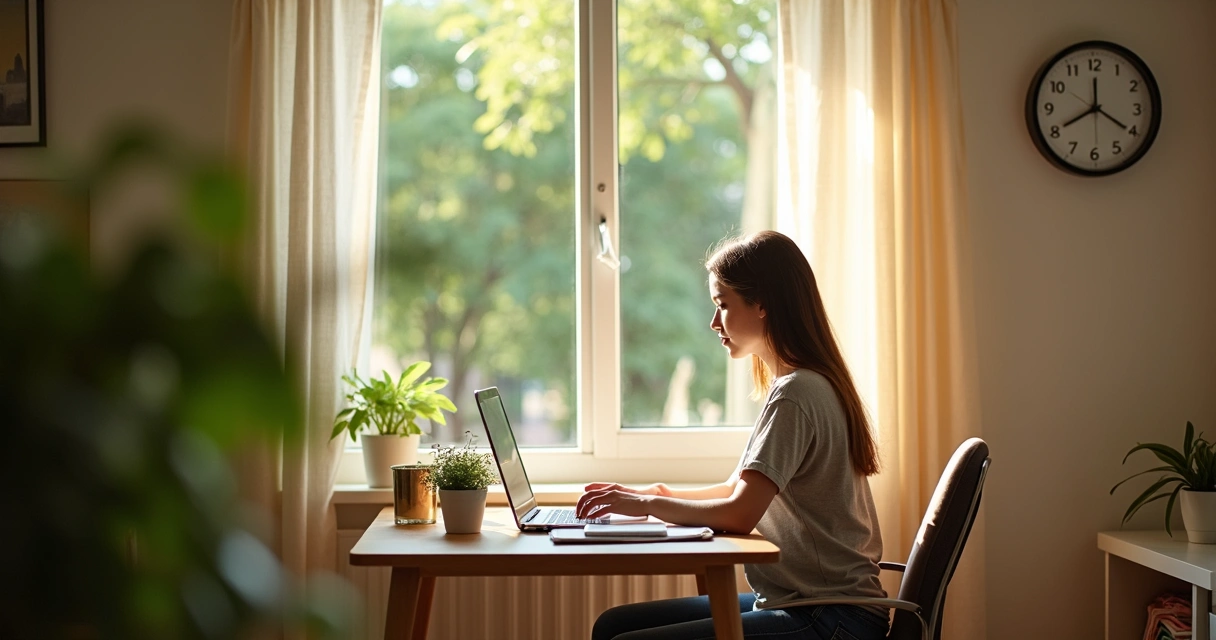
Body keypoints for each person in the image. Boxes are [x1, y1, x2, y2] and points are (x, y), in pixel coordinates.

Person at [576, 230, 890, 640]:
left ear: (762, 305)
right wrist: (659, 495)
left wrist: (647, 505)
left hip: (832, 616)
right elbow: (736, 489)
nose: (713, 322)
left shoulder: (797, 393)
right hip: (809, 603)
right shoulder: (802, 384)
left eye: (722, 305)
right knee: (613, 626)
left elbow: (739, 514)